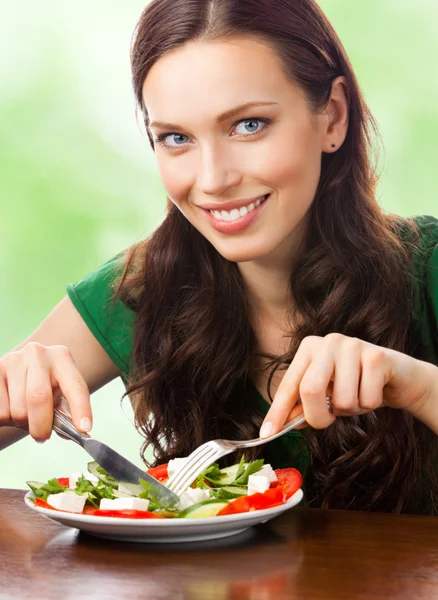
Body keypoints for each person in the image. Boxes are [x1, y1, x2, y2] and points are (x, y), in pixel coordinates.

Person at [1, 0, 437, 515]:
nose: (212, 181)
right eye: (176, 138)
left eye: (248, 125)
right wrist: (12, 388)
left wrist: (415, 385)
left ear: (333, 118)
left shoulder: (424, 267)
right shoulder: (139, 288)